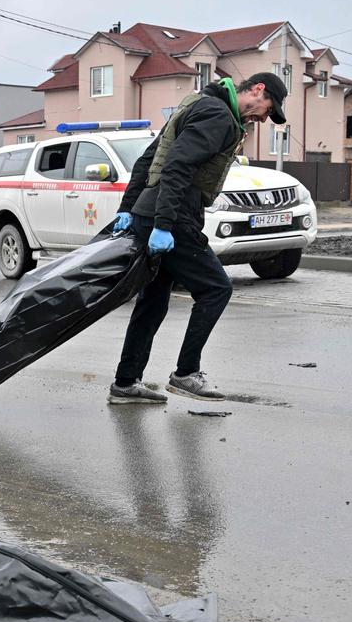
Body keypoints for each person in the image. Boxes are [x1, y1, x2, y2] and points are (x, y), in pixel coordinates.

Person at [107, 72, 287, 404]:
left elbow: (150, 157)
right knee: (216, 288)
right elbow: (176, 165)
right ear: (258, 90)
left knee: (154, 300)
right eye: (268, 108)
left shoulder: (198, 103)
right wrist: (163, 223)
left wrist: (130, 207)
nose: (263, 118)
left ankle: (125, 382)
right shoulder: (218, 115)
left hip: (156, 211)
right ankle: (186, 374)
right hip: (173, 215)